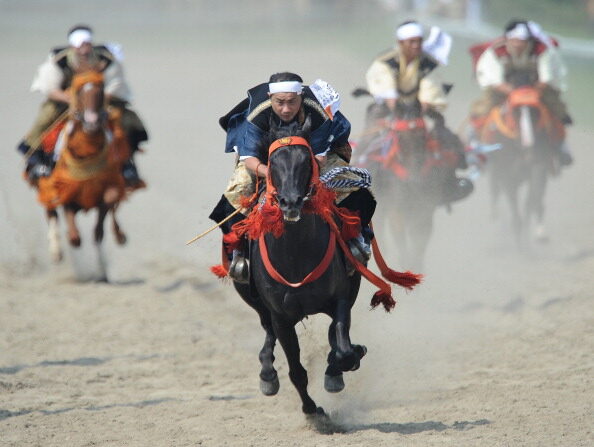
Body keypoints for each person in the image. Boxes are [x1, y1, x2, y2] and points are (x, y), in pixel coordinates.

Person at [209, 72, 376, 282]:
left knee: (353, 186)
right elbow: (249, 159)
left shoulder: (317, 111)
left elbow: (320, 159)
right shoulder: (256, 115)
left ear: (301, 97)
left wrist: (298, 172)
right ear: (270, 97)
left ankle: (356, 238)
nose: (286, 109)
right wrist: (271, 173)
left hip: (314, 157)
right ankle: (238, 252)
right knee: (238, 190)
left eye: (292, 102)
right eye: (280, 103)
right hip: (263, 159)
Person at [17, 24, 148, 186]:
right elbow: (50, 87)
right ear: (73, 45)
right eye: (80, 44)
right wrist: (72, 100)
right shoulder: (61, 61)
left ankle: (127, 164)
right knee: (46, 116)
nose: (84, 48)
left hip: (101, 102)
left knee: (126, 121)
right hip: (67, 103)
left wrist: (98, 100)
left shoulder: (105, 60)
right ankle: (37, 157)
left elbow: (115, 83)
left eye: (87, 43)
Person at [363, 20, 472, 204]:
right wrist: (393, 104)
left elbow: (430, 87)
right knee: (369, 140)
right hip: (388, 107)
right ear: (401, 43)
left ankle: (451, 182)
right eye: (412, 42)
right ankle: (362, 183)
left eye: (419, 41)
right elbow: (385, 86)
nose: (417, 46)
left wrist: (424, 105)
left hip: (419, 108)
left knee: (444, 135)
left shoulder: (427, 62)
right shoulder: (385, 61)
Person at [469, 19, 572, 166]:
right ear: (508, 40)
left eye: (522, 41)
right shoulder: (496, 51)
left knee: (558, 108)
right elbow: (495, 80)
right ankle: (475, 141)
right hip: (505, 87)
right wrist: (514, 93)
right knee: (482, 108)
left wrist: (531, 92)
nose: (518, 45)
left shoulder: (542, 50)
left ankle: (561, 146)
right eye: (514, 41)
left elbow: (546, 77)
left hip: (535, 88)